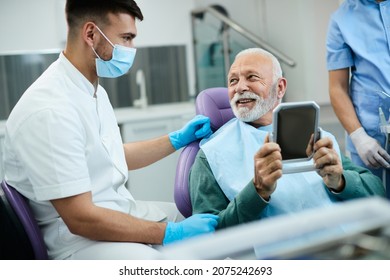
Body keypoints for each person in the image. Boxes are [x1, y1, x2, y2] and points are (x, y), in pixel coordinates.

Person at [2, 0, 219, 260]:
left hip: (114, 211)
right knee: (160, 263)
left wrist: (177, 140)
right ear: (91, 34)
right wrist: (166, 233)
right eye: (126, 38)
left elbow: (111, 155)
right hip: (76, 241)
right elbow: (81, 218)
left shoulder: (92, 90)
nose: (131, 49)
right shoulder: (50, 110)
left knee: (208, 224)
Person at [189, 48, 385, 229]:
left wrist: (340, 181)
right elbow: (206, 235)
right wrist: (257, 192)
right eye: (233, 81)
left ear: (280, 87)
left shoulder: (317, 136)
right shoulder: (211, 155)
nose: (240, 87)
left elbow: (378, 193)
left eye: (252, 77)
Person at [326, 0, 390, 198]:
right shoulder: (342, 19)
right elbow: (337, 87)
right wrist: (359, 136)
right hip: (370, 136)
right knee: (372, 207)